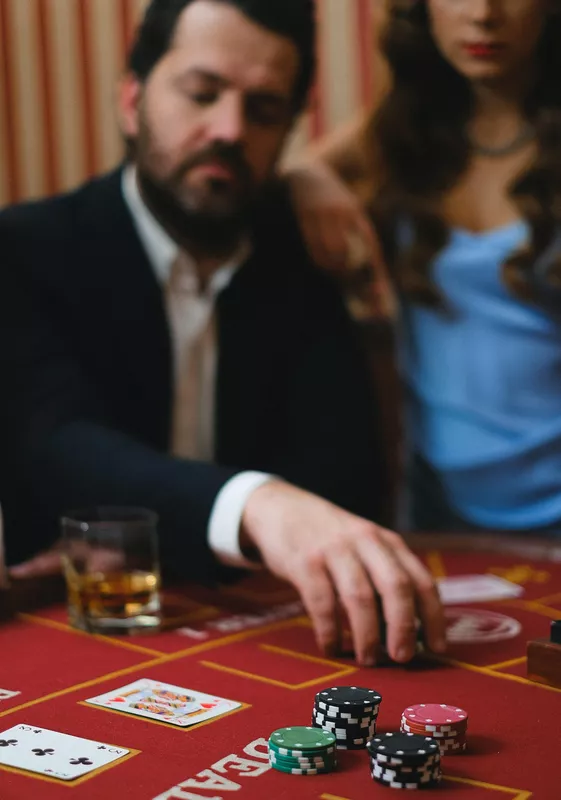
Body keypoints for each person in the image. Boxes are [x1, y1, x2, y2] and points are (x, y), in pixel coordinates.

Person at [0, 0, 445, 666]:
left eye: (264, 111)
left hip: (258, 638)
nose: (229, 129)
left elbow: (342, 476)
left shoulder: (303, 258)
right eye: (202, 94)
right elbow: (56, 447)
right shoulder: (24, 248)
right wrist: (254, 504)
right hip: (66, 632)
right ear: (132, 100)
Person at [286, 0, 561, 536]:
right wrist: (311, 182)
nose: (484, 14)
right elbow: (295, 166)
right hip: (439, 507)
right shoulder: (401, 129)